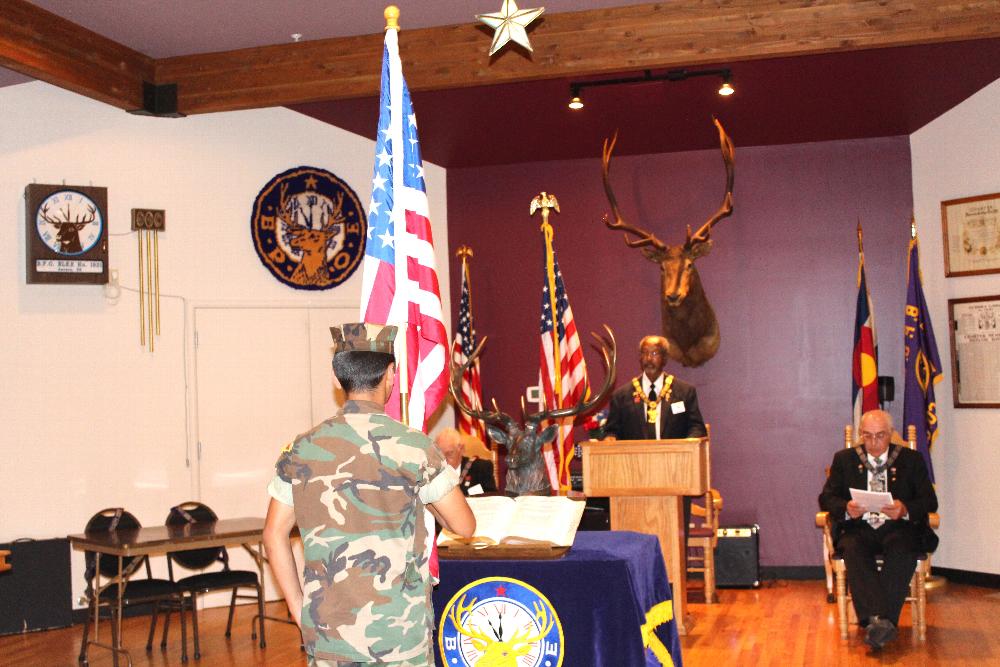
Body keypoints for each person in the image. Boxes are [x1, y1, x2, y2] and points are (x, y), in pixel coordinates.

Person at [262, 322, 475, 667]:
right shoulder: (415, 447)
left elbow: (273, 534)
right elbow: (464, 525)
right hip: (400, 636)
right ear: (391, 374)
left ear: (336, 377)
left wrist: (298, 608)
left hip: (327, 632)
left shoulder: (301, 449)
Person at [818, 409, 938, 650]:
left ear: (891, 434)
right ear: (861, 435)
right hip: (859, 527)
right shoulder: (844, 459)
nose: (873, 443)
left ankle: (877, 622)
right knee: (852, 547)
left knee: (903, 548)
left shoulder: (911, 460)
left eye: (880, 436)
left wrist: (904, 508)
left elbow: (929, 501)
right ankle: (882, 622)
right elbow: (826, 498)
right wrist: (846, 507)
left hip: (898, 527)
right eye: (867, 436)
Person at [603, 335, 706, 441]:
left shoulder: (685, 392)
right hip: (635, 456)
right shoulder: (621, 396)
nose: (649, 358)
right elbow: (611, 431)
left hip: (673, 456)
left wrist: (689, 442)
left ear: (665, 358)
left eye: (654, 353)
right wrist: (610, 437)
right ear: (640, 358)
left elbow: (697, 428)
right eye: (645, 353)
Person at [435, 427, 498, 496]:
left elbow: (492, 499)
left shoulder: (481, 468)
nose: (444, 460)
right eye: (440, 456)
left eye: (449, 454)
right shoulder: (432, 474)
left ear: (461, 449)